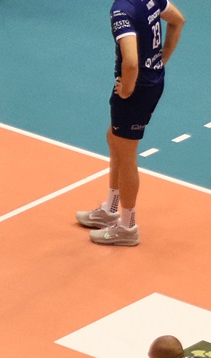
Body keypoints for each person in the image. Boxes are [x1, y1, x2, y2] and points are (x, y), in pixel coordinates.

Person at [74, 0, 185, 247]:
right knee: (114, 139)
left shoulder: (121, 10)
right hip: (150, 82)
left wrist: (126, 89)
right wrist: (160, 61)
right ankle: (111, 208)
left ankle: (127, 226)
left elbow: (132, 61)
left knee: (126, 154)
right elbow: (178, 21)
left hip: (137, 88)